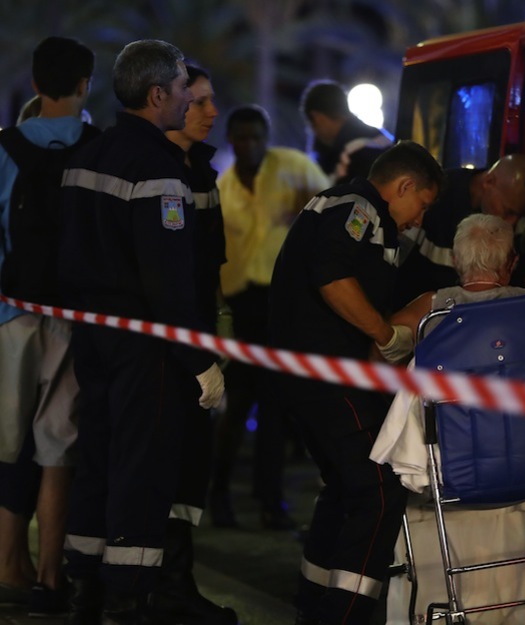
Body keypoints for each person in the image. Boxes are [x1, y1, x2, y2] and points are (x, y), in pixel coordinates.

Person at [58, 40, 225, 625]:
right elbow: (169, 281)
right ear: (158, 95)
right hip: (144, 346)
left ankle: (84, 590)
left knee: (98, 458)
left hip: (91, 335)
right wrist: (199, 361)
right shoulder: (156, 169)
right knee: (141, 469)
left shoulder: (89, 155)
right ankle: (127, 602)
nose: (189, 99)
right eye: (183, 88)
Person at [375, 213, 525, 625]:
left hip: (449, 478)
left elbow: (380, 363)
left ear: (457, 261)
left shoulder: (429, 311)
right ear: (511, 263)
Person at [268, 140, 445, 625]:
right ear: (404, 186)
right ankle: (345, 613)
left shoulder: (356, 212)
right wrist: (384, 333)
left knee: (345, 487)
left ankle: (315, 600)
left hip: (305, 375)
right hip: (325, 373)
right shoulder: (358, 208)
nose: (418, 220)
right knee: (379, 490)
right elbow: (331, 275)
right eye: (421, 205)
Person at [0, 36, 95, 617]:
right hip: (75, 319)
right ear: (85, 84)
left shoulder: (5, 147)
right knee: (59, 447)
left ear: (35, 84)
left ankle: (5, 565)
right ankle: (49, 576)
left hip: (10, 315)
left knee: (7, 449)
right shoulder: (98, 147)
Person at [212, 104, 329, 530]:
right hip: (244, 306)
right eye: (241, 137)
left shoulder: (295, 167)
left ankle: (270, 501)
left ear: (266, 135)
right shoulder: (223, 187)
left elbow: (331, 212)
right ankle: (220, 492)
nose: (250, 145)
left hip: (283, 302)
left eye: (256, 136)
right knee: (239, 403)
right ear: (232, 141)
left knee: (276, 406)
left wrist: (306, 214)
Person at [157, 63, 236, 625]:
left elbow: (209, 269)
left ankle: (177, 585)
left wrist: (220, 334)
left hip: (199, 338)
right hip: (158, 349)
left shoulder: (204, 174)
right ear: (171, 100)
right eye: (200, 101)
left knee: (190, 470)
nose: (211, 112)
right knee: (156, 469)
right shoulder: (155, 169)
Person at [391, 153, 525, 309]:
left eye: (519, 216)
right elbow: (394, 262)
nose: (511, 222)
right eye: (508, 211)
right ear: (489, 181)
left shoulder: (519, 222)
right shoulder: (433, 198)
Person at [300, 79, 393, 184]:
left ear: (317, 118)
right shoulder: (383, 139)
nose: (314, 134)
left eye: (311, 126)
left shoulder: (347, 156)